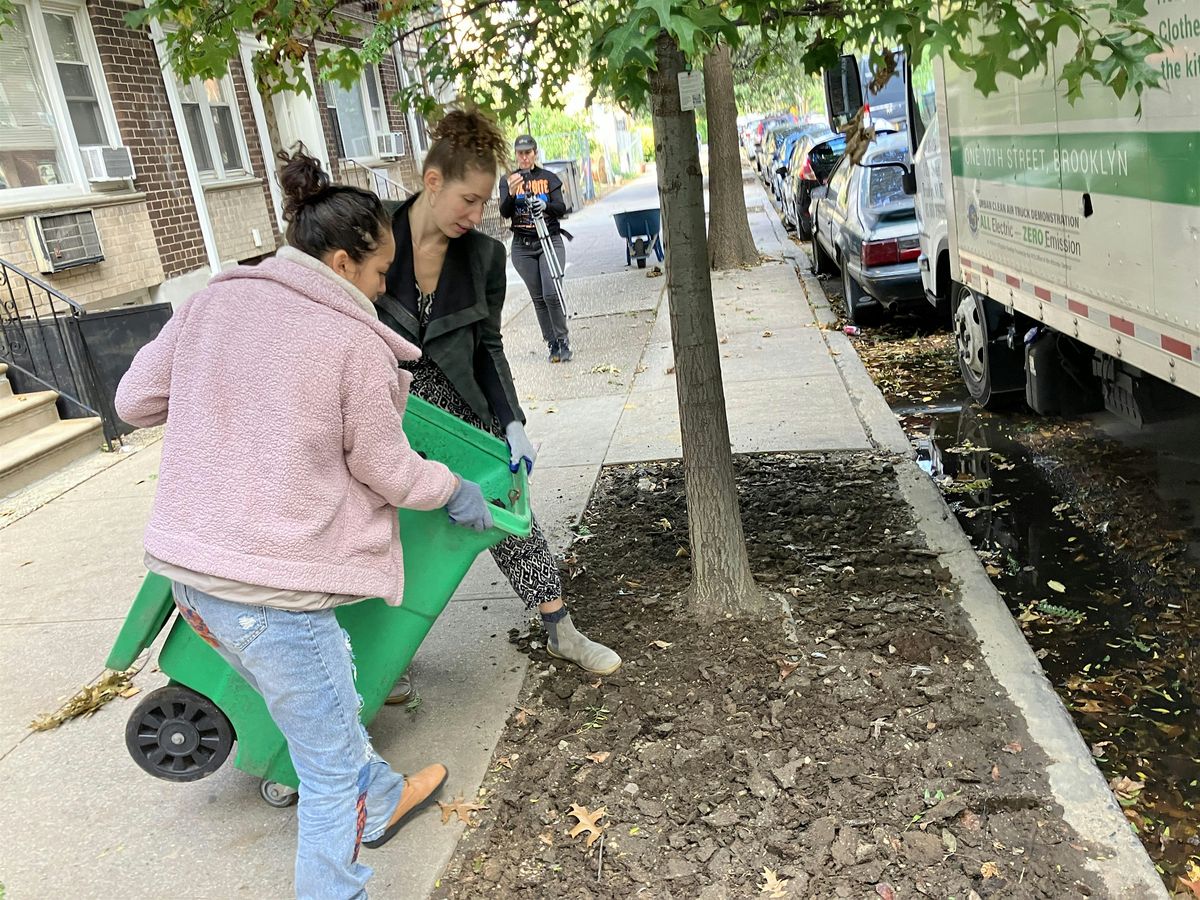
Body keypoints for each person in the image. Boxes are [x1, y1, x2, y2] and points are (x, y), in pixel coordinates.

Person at [115, 148, 495, 899]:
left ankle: (381, 800)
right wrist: (451, 485)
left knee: (323, 712)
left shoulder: (212, 302)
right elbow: (388, 471)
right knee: (324, 772)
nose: (384, 289)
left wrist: (222, 403)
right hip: (273, 595)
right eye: (382, 274)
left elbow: (134, 402)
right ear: (347, 262)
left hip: (195, 580)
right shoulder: (351, 341)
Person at [375, 111, 620, 707]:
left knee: (509, 512)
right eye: (468, 199)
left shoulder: (483, 257)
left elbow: (488, 346)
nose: (476, 215)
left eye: (485, 203)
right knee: (380, 528)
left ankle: (560, 626)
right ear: (432, 181)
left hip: (459, 406)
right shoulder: (373, 233)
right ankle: (384, 659)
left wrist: (510, 421)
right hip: (380, 408)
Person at [498, 134, 572, 363]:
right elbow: (504, 211)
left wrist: (545, 205)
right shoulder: (509, 180)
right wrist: (511, 194)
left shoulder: (548, 178)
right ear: (516, 155)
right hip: (523, 246)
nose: (524, 157)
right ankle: (551, 342)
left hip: (549, 240)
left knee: (551, 292)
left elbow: (562, 208)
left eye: (528, 152)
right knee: (538, 297)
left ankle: (563, 339)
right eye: (520, 153)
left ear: (535, 153)